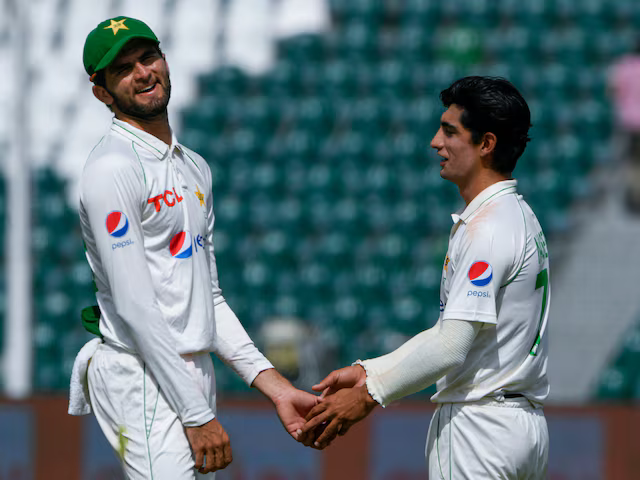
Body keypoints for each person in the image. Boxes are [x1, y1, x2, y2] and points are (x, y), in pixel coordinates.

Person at [74, 16, 318, 479]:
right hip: (140, 373)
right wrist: (196, 415)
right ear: (102, 92)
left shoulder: (193, 167)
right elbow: (134, 305)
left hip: (188, 369)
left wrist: (276, 387)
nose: (144, 72)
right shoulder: (112, 168)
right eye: (124, 69)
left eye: (149, 57)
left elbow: (208, 299)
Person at [299, 76, 551, 478]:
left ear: (486, 144)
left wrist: (367, 396)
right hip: (522, 426)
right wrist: (370, 370)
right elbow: (449, 331)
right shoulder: (519, 215)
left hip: (479, 428)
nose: (436, 142)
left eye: (449, 131)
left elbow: (451, 347)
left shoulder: (486, 228)